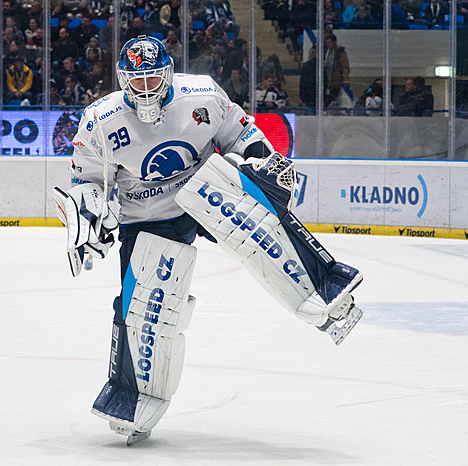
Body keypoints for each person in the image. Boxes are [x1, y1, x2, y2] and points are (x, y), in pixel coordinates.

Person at [52, 35, 364, 446]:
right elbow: (85, 178)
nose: (145, 89)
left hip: (206, 190)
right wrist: (91, 213)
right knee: (144, 306)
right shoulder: (100, 120)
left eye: (153, 79)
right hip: (147, 219)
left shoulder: (201, 93)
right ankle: (135, 397)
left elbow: (241, 134)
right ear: (122, 79)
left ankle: (323, 288)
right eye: (136, 81)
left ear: (169, 72)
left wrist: (262, 165)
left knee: (258, 220)